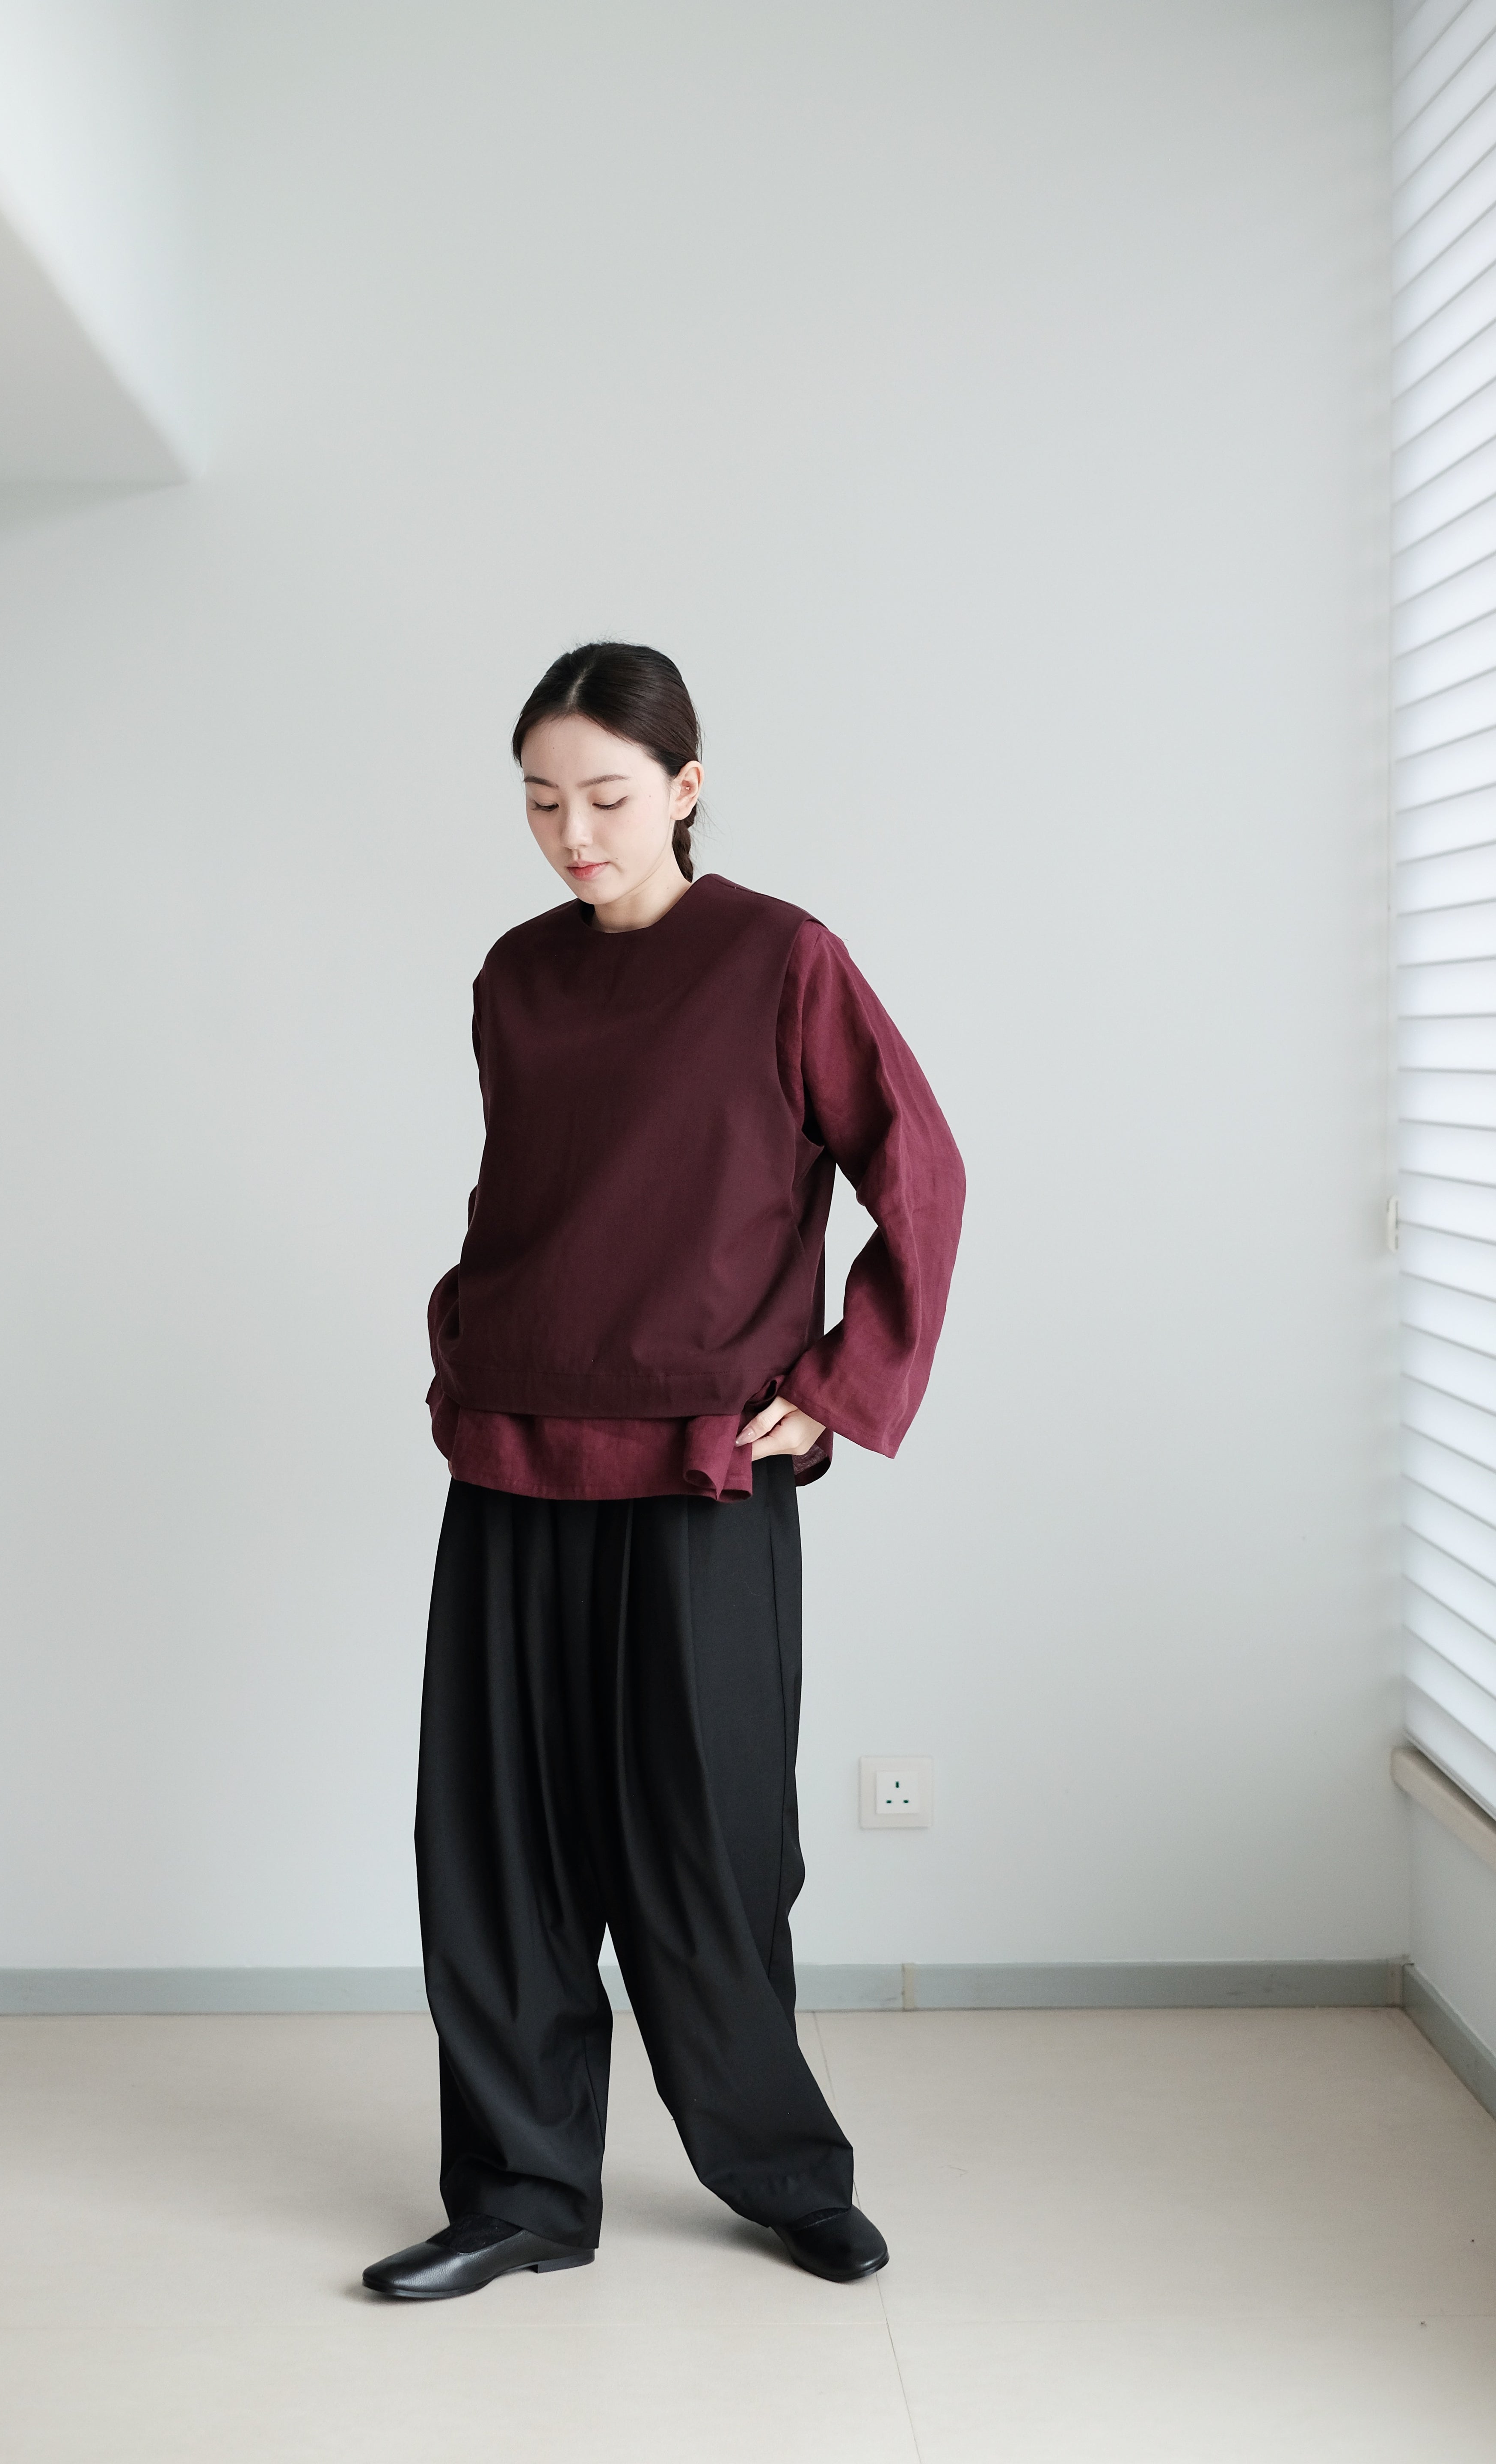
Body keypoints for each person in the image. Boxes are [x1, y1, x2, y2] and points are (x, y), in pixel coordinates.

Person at [364, 643, 965, 2302]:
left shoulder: (781, 958)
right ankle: (520, 2192)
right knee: (495, 1847)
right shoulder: (514, 977)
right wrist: (464, 1342)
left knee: (710, 1842)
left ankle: (781, 2172)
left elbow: (917, 1166)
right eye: (542, 803)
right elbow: (526, 1194)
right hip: (512, 1454)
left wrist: (839, 1389)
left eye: (609, 798)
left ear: (687, 788)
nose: (574, 834)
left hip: (703, 1467)